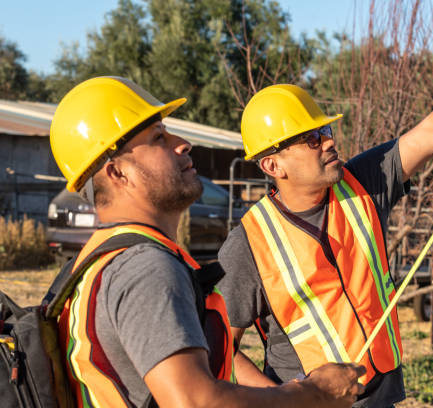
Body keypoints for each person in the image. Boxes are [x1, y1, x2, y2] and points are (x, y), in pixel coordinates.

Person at [218, 17, 433, 407]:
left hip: (383, 398)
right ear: (273, 166)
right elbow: (221, 345)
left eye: (326, 132)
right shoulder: (249, 242)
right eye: (312, 139)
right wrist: (285, 397)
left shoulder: (363, 181)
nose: (329, 143)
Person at [49, 76, 365, 408]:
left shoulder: (100, 260)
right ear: (117, 173)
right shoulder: (143, 267)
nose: (182, 142)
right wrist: (313, 394)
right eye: (159, 137)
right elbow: (194, 402)